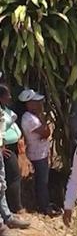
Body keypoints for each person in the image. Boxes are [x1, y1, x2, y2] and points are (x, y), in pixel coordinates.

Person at [19, 89, 59, 216]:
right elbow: (46, 133)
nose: (40, 103)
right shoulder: (30, 119)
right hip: (38, 154)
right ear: (29, 103)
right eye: (36, 101)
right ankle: (44, 206)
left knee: (42, 180)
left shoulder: (31, 117)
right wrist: (42, 116)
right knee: (42, 181)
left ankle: (44, 204)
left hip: (40, 152)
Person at [0, 85, 24, 213]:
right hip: (6, 148)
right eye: (6, 95)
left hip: (13, 146)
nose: (9, 97)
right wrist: (1, 148)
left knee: (11, 175)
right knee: (14, 176)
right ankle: (16, 207)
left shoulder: (5, 108)